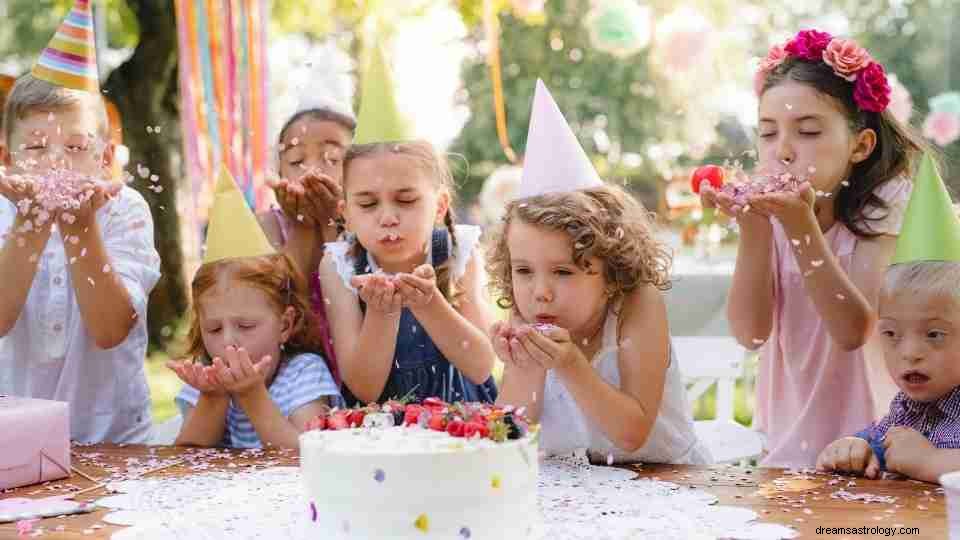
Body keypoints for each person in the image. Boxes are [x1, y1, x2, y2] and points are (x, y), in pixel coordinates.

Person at [702, 29, 925, 467]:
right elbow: (750, 333)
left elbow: (852, 331)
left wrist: (800, 227)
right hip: (787, 441)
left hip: (872, 446)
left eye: (806, 131)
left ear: (860, 146)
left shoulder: (884, 213)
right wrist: (753, 228)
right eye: (767, 133)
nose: (782, 150)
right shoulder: (772, 216)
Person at [493, 80, 710, 464]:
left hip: (664, 480)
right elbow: (511, 432)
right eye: (523, 270)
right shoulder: (529, 311)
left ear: (611, 273)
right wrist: (521, 367)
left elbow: (632, 434)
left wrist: (570, 364)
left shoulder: (637, 304)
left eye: (563, 272)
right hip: (576, 488)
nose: (540, 291)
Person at [0, 1, 160, 444]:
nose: (54, 163)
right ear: (7, 159)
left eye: (74, 147)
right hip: (16, 441)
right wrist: (30, 224)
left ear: (105, 159)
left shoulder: (124, 211)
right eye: (35, 149)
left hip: (118, 441)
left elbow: (111, 330)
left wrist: (79, 227)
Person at [319, 140, 498, 405]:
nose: (388, 217)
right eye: (368, 204)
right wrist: (382, 314)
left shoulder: (458, 250)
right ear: (347, 215)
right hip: (380, 430)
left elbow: (481, 366)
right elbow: (364, 389)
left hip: (462, 421)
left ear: (439, 205)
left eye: (406, 200)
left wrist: (430, 305)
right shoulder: (339, 265)